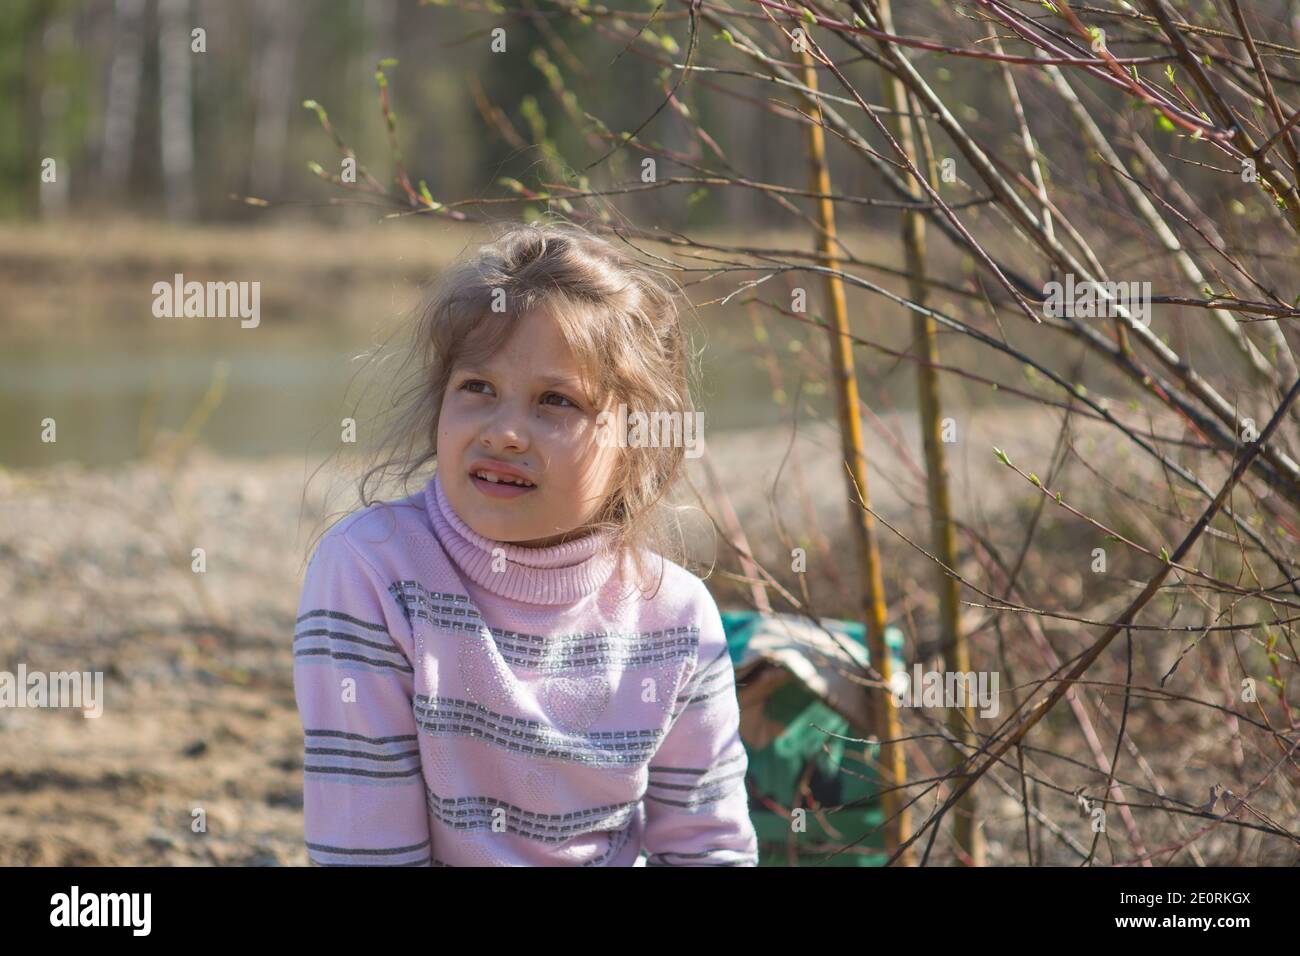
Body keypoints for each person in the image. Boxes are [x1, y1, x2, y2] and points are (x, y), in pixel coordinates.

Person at [292, 219, 758, 866]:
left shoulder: (675, 616)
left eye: (556, 401)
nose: (506, 433)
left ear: (636, 441)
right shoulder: (374, 573)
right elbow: (366, 850)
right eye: (478, 388)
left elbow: (708, 848)